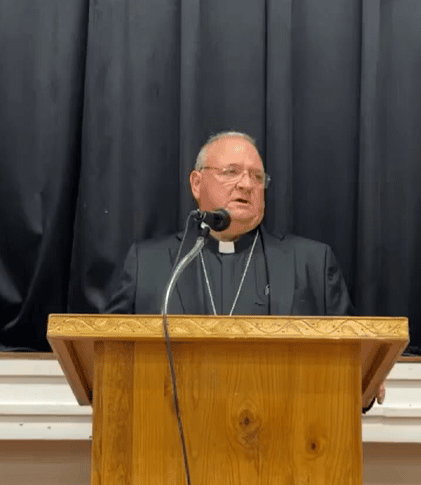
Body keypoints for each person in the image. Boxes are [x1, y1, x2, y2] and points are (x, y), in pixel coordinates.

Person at [105, 130, 384, 405]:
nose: (246, 184)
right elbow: (106, 361)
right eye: (231, 172)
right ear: (196, 183)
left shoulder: (312, 264)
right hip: (166, 435)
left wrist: (366, 377)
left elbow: (353, 365)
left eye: (257, 177)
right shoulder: (148, 263)